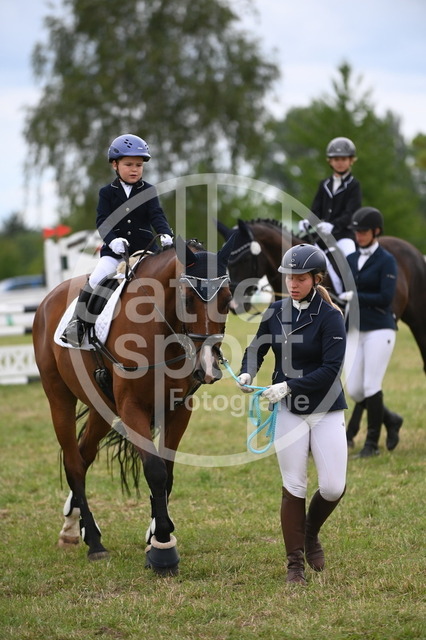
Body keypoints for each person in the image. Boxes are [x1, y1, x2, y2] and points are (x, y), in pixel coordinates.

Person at [237, 244, 348, 585]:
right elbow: (256, 348)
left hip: (326, 408)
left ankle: (310, 532)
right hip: (288, 412)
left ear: (316, 279)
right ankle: (294, 564)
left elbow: (330, 370)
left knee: (333, 487)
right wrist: (247, 372)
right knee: (294, 485)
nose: (293, 284)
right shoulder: (274, 311)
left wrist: (288, 386)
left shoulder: (331, 316)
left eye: (300, 278)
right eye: (289, 278)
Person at [61, 133, 173, 346]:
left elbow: (157, 216)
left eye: (139, 165)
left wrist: (166, 234)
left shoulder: (149, 190)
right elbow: (103, 221)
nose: (134, 169)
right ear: (115, 165)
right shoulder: (107, 193)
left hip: (145, 252)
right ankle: (78, 323)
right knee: (96, 278)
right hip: (115, 254)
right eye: (128, 164)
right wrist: (112, 240)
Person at [342, 207, 403, 457]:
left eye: (364, 231)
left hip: (379, 328)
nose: (359, 236)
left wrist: (356, 297)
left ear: (376, 231)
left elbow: (386, 297)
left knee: (370, 385)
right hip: (354, 329)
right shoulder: (350, 260)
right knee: (355, 389)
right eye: (356, 231)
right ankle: (391, 419)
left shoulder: (387, 260)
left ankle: (371, 444)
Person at [299, 136, 361, 294]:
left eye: (343, 159)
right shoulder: (324, 184)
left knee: (350, 260)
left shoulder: (354, 185)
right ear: (330, 161)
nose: (340, 162)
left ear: (351, 160)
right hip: (323, 236)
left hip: (344, 235)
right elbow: (316, 209)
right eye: (336, 159)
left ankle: (351, 296)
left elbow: (351, 212)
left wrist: (334, 225)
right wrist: (307, 221)